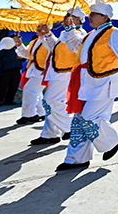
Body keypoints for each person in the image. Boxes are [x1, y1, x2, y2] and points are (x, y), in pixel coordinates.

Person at [55, 0, 118, 172]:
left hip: (105, 82)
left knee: (89, 119)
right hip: (87, 82)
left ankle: (112, 141)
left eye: (94, 14)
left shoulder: (113, 33)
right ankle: (76, 159)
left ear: (105, 17)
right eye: (90, 14)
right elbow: (76, 47)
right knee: (79, 121)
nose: (90, 17)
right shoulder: (89, 35)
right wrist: (70, 30)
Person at [29, 8, 87, 145]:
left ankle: (69, 127)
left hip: (66, 73)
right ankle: (49, 134)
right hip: (56, 72)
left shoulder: (80, 33)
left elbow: (78, 49)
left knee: (50, 102)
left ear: (79, 20)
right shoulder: (64, 33)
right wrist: (47, 34)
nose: (67, 18)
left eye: (71, 16)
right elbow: (54, 48)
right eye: (66, 16)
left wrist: (71, 31)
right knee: (54, 103)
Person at [15, 28, 50, 125]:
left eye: (41, 28)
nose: (39, 30)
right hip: (33, 69)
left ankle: (29, 114)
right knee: (36, 92)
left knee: (30, 89)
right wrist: (20, 45)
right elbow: (27, 54)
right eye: (38, 28)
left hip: (43, 70)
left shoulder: (50, 41)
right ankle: (41, 112)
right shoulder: (34, 41)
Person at [0, 36, 24, 106]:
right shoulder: (6, 47)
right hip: (6, 69)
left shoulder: (19, 48)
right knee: (2, 85)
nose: (18, 41)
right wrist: (0, 66)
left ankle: (9, 100)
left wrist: (22, 57)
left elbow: (24, 57)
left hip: (16, 69)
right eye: (16, 39)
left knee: (14, 86)